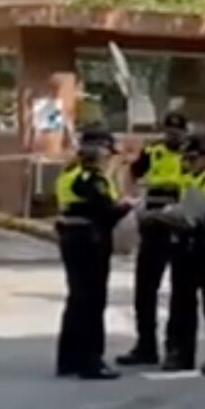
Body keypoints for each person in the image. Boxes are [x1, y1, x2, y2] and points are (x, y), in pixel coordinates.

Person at [54, 128, 131, 380]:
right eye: (108, 152)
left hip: (71, 237)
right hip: (90, 240)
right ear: (99, 151)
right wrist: (127, 207)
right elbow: (104, 212)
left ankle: (69, 359)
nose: (110, 158)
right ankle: (91, 361)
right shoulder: (91, 178)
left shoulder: (69, 172)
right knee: (92, 301)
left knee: (76, 299)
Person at [116, 112, 189, 367]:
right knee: (145, 288)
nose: (173, 136)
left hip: (181, 223)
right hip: (154, 221)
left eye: (177, 132)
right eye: (169, 131)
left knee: (181, 291)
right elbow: (132, 173)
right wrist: (132, 199)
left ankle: (174, 348)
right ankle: (145, 345)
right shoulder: (153, 151)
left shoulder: (191, 154)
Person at [162, 133, 205, 375]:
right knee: (181, 304)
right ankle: (181, 354)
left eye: (193, 157)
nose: (188, 162)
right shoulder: (187, 179)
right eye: (186, 157)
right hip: (184, 246)